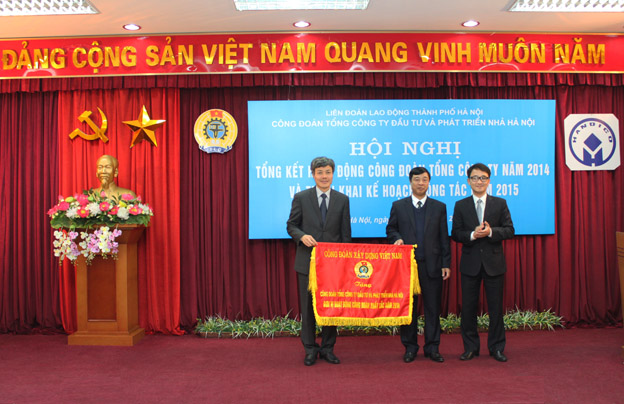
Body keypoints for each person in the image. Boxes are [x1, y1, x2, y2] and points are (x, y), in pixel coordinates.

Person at [286, 156, 352, 366]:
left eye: (328, 172)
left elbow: (346, 235)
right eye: (320, 172)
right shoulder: (301, 197)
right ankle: (310, 349)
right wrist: (301, 236)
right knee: (307, 308)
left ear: (333, 174)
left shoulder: (343, 200)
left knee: (330, 307)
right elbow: (291, 225)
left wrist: (344, 264)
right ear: (313, 174)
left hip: (333, 266)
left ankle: (328, 348)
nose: (324, 176)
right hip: (307, 262)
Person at [386, 166, 451, 363]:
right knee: (409, 308)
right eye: (417, 179)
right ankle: (410, 347)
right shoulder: (399, 206)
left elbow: (444, 237)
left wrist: (446, 263)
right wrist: (396, 238)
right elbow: (391, 229)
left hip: (433, 265)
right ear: (410, 182)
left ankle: (433, 347)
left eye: (424, 179)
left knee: (432, 308)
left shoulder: (439, 207)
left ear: (429, 182)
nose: (420, 183)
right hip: (407, 268)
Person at [451, 162, 514, 362]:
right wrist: (472, 234)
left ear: (489, 181)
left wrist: (491, 232)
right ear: (468, 181)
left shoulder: (500, 203)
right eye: (475, 178)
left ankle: (496, 348)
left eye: (483, 178)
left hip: (494, 264)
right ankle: (471, 348)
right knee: (468, 308)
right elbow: (456, 233)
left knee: (496, 308)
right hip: (470, 265)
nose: (479, 181)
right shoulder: (460, 205)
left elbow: (510, 230)